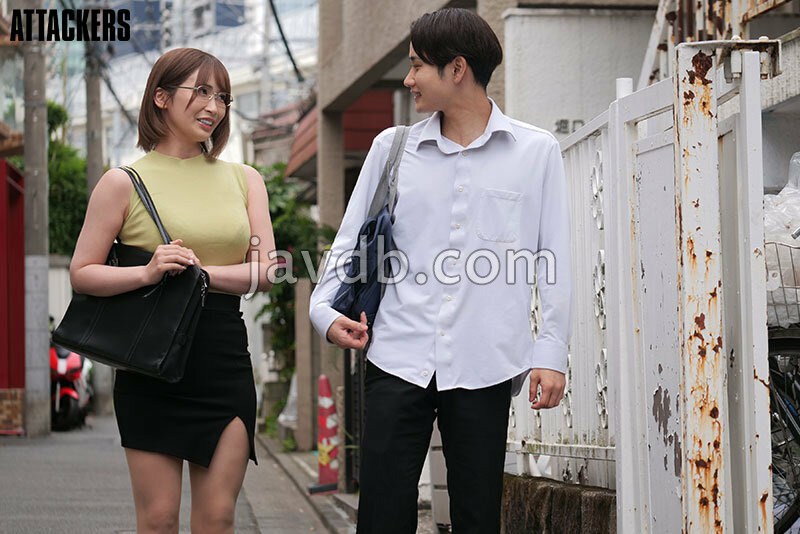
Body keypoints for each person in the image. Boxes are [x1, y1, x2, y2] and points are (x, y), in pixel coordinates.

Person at [309, 8, 572, 533]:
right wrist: (324, 311)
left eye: (416, 66)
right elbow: (350, 240)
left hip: (485, 361)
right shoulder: (392, 148)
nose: (408, 80)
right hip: (395, 355)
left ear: (456, 69)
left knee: (477, 514)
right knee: (382, 514)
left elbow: (554, 259)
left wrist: (551, 353)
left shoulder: (535, 151)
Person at [69, 48, 276, 534]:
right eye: (201, 91)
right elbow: (82, 272)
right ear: (160, 97)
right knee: (159, 520)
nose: (214, 107)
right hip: (150, 364)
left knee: (218, 518)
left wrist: (197, 272)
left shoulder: (245, 179)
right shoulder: (122, 182)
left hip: (223, 360)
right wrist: (147, 273)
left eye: (222, 97)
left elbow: (266, 271)